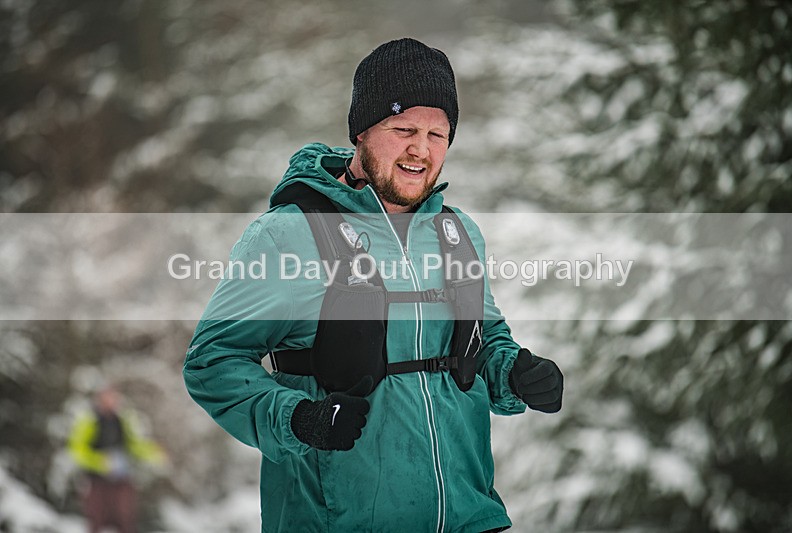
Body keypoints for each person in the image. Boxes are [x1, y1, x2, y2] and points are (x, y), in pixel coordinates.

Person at [184, 37, 564, 532]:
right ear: (361, 131)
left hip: (470, 518)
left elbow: (482, 344)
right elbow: (212, 363)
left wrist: (515, 374)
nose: (420, 149)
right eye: (403, 128)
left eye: (437, 134)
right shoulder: (287, 236)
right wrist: (300, 419)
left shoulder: (458, 234)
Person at [67, 385, 166, 533]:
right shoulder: (89, 420)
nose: (111, 401)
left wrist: (153, 453)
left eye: (113, 398)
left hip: (121, 477)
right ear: (99, 399)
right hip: (96, 480)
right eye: (107, 398)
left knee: (126, 519)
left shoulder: (122, 420)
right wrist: (99, 461)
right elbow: (76, 450)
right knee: (96, 520)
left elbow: (135, 445)